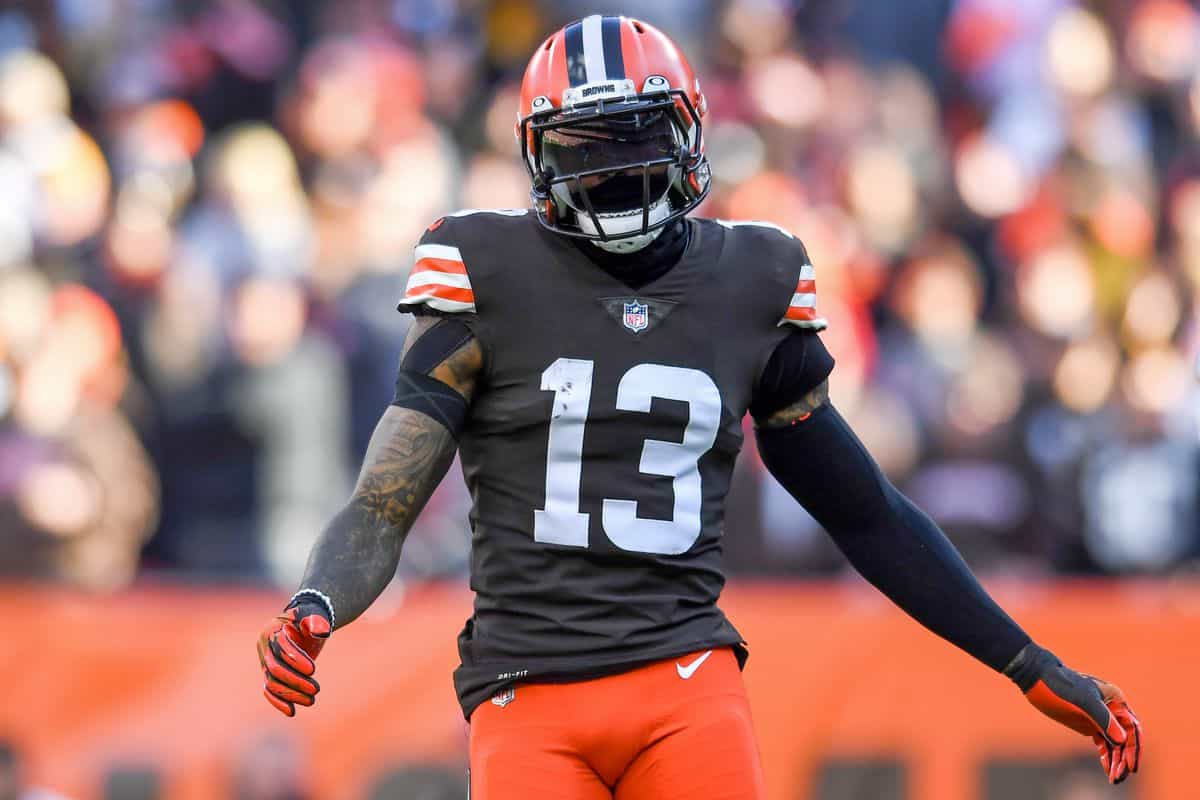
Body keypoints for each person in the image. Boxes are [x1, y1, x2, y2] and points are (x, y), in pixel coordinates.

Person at [257, 15, 1142, 799]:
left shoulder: (752, 278)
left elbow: (864, 512)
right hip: (525, 692)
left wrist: (1026, 662)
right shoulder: (483, 268)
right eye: (586, 148)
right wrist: (318, 599)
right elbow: (385, 502)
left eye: (636, 138)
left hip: (683, 686)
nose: (615, 170)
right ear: (539, 157)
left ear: (687, 131)